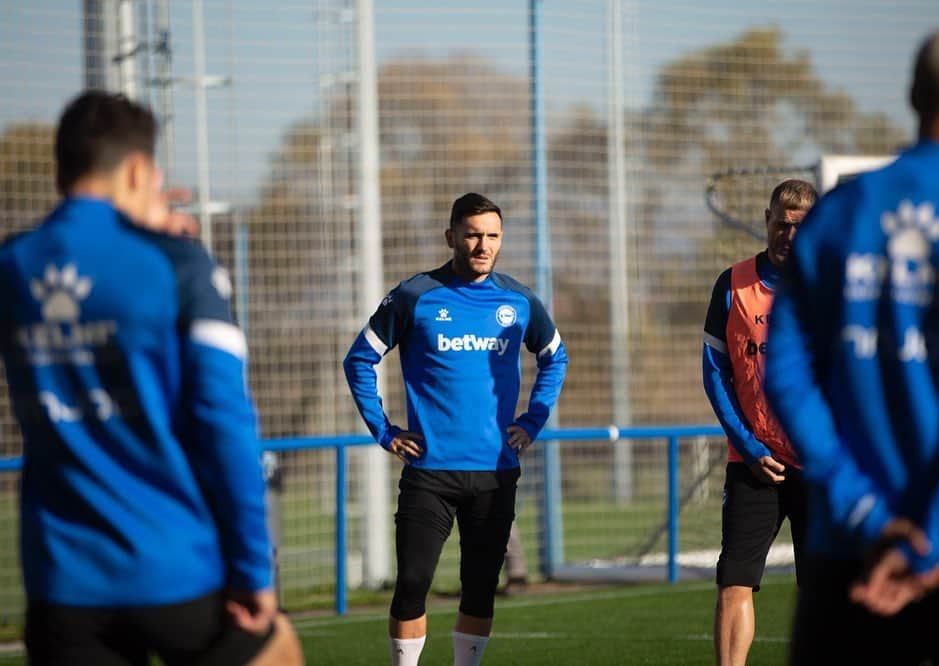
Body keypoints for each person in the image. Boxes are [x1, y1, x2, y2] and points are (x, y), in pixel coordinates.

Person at [0, 90, 302, 665]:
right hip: (170, 565)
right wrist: (253, 569)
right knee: (278, 648)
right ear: (139, 170)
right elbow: (226, 425)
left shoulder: (13, 265)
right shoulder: (178, 265)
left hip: (60, 580)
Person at [765, 24, 939, 665]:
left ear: (913, 96)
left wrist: (866, 511)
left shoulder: (837, 216)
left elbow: (786, 375)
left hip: (852, 552)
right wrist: (934, 535)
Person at [343, 192, 568, 666]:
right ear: (451, 238)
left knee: (481, 590)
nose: (483, 245)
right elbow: (360, 359)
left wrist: (532, 420)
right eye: (472, 235)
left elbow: (555, 358)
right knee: (412, 585)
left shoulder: (519, 300)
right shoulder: (414, 296)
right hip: (430, 473)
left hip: (494, 473)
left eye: (492, 236)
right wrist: (384, 430)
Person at [701, 179, 817, 666]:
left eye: (801, 226)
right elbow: (715, 373)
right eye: (782, 223)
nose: (789, 234)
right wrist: (748, 446)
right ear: (767, 219)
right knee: (734, 582)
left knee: (826, 592)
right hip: (754, 463)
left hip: (822, 468)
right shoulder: (733, 284)